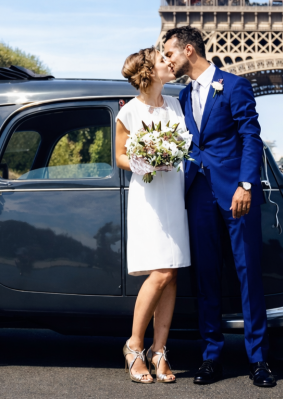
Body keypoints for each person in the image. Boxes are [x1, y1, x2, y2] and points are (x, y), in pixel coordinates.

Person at [162, 26, 276, 388]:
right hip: (198, 193)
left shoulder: (234, 85)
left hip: (236, 193)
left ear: (189, 50)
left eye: (170, 53)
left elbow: (250, 136)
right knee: (206, 277)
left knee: (248, 274)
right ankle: (211, 356)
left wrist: (246, 184)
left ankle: (258, 359)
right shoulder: (182, 96)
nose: (167, 60)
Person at [115, 47, 190, 384]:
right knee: (160, 272)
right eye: (163, 59)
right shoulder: (129, 112)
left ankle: (159, 351)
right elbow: (119, 155)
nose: (170, 62)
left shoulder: (175, 104)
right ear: (149, 71)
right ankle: (134, 345)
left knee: (171, 273)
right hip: (148, 196)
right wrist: (143, 162)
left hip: (173, 193)